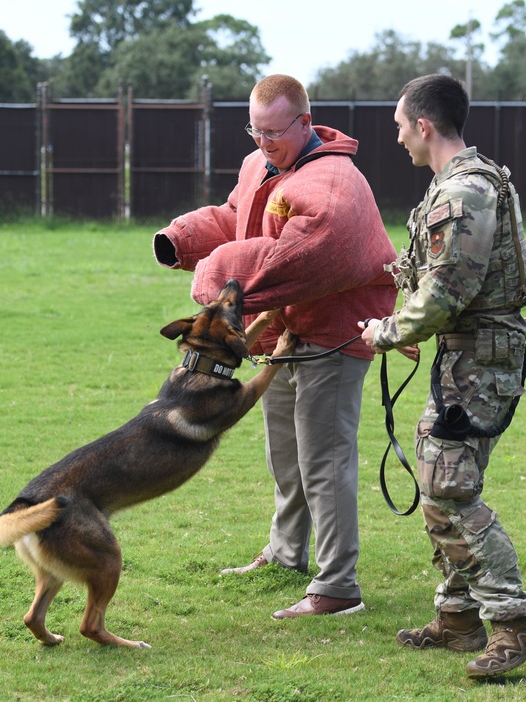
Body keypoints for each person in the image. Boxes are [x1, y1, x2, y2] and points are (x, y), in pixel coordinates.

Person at [153, 74, 397, 619]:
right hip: (283, 334)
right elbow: (236, 221)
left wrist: (218, 274)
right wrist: (183, 238)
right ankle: (287, 554)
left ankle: (337, 586)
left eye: (273, 133)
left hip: (334, 337)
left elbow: (307, 251)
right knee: (285, 456)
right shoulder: (259, 164)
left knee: (324, 462)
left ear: (305, 123)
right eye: (254, 131)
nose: (263, 143)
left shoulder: (334, 181)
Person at [359, 74, 526, 679]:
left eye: (399, 128)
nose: (397, 140)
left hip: (478, 360)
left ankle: (515, 626)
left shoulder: (462, 192)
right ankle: (459, 619)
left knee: (448, 489)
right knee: (441, 479)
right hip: (466, 356)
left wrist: (388, 332)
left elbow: (446, 291)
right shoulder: (464, 183)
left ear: (424, 126)